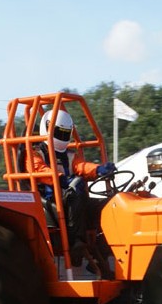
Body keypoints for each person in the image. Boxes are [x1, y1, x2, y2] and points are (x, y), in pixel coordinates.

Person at [30, 108, 115, 271]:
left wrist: (99, 169)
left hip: (69, 194)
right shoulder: (36, 154)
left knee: (108, 205)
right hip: (50, 197)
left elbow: (81, 166)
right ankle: (76, 243)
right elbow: (40, 170)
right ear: (47, 128)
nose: (63, 137)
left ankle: (103, 252)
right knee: (75, 195)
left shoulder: (69, 155)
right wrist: (61, 178)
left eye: (66, 133)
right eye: (59, 132)